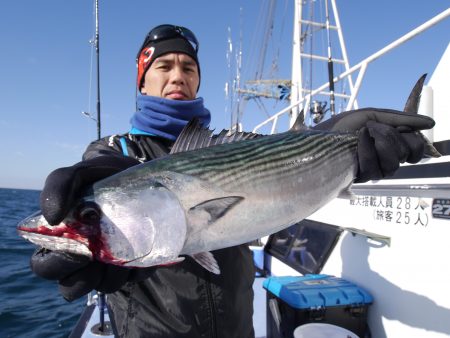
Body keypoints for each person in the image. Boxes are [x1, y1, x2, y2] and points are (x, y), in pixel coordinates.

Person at [30, 24, 435, 338]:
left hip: (238, 325)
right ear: (142, 80)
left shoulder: (226, 144)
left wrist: (336, 134)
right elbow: (101, 175)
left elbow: (288, 155)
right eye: (163, 66)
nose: (177, 76)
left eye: (188, 67)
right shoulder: (115, 151)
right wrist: (89, 219)